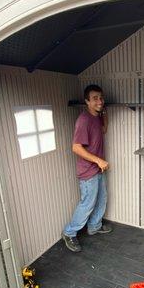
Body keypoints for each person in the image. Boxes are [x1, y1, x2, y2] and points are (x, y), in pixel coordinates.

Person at [62, 84, 112, 252]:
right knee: (87, 204)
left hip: (97, 169)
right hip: (88, 171)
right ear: (87, 101)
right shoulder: (83, 120)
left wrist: (104, 112)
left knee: (101, 199)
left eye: (101, 98)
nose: (99, 101)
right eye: (95, 98)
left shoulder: (96, 117)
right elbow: (76, 147)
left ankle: (94, 226)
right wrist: (98, 161)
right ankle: (69, 233)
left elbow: (104, 129)